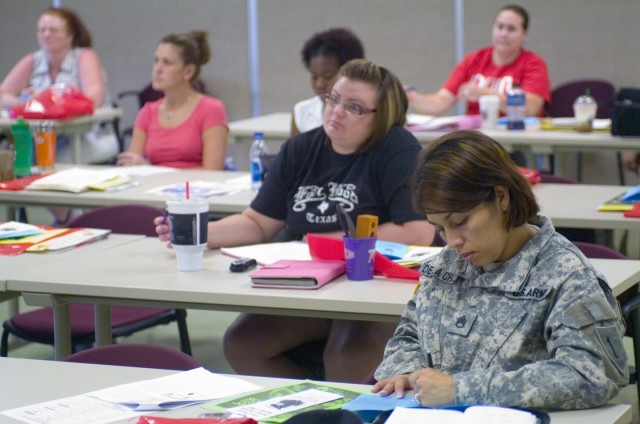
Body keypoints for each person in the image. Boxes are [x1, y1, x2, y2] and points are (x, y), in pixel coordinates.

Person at [156, 59, 436, 382]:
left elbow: (417, 231)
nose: (336, 111)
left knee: (344, 358)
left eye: (354, 107)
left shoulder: (396, 148)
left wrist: (323, 243)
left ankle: (341, 416)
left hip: (372, 287)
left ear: (382, 116)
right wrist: (197, 232)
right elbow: (258, 223)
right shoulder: (300, 149)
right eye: (333, 99)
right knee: (242, 344)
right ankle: (313, 410)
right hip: (311, 284)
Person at [372, 130, 628, 409]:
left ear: (501, 197)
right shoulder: (445, 265)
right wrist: (406, 372)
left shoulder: (566, 276)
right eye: (440, 229)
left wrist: (462, 389)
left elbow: (593, 375)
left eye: (459, 221)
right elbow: (410, 333)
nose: (452, 241)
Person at [0, 7, 118, 165]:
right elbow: (3, 94)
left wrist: (46, 102)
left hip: (88, 137)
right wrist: (25, 103)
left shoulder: (84, 56)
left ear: (70, 35)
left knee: (46, 164)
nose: (46, 35)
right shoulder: (33, 60)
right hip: (43, 136)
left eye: (53, 30)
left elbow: (94, 98)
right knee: (16, 161)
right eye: (42, 30)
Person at [406, 4, 550, 118]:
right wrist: (411, 97)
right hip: (477, 140)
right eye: (499, 27)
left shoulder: (533, 64)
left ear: (524, 34)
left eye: (511, 29)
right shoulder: (473, 60)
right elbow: (441, 101)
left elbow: (530, 108)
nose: (503, 34)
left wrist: (483, 93)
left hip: (518, 139)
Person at [117, 31, 228, 169]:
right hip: (153, 188)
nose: (157, 69)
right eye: (156, 60)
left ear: (188, 72)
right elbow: (132, 165)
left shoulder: (211, 109)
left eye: (167, 63)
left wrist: (153, 171)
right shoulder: (147, 112)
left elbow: (212, 171)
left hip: (194, 189)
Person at [290, 28, 364, 136]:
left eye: (328, 76)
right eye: (314, 77)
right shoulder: (302, 111)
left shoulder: (364, 112)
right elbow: (294, 153)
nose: (319, 84)